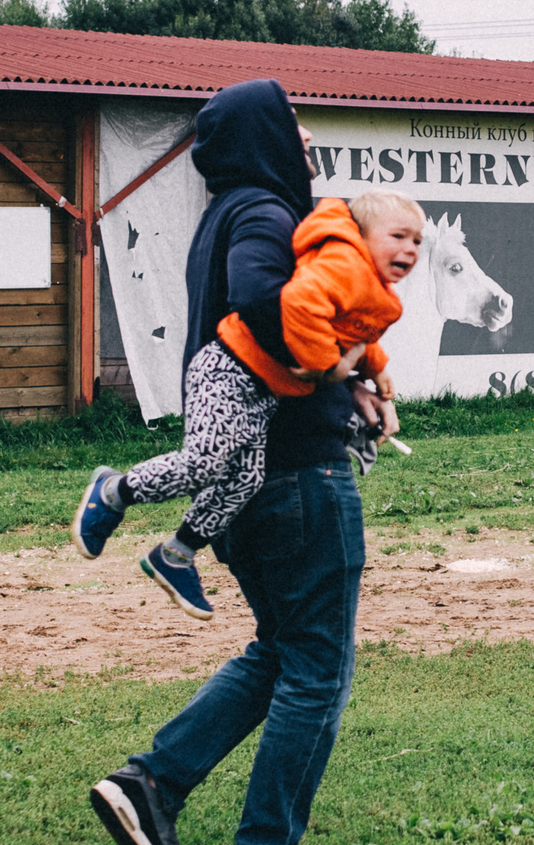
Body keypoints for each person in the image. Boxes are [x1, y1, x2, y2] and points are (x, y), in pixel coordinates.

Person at [85, 80, 401, 845]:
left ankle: (151, 784)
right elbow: (270, 306)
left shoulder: (222, 216)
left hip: (257, 484)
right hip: (298, 477)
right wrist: (344, 371)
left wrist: (352, 384)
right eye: (291, 126)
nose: (304, 142)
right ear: (262, 135)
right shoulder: (264, 214)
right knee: (319, 669)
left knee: (281, 651)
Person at [71, 184, 420, 617]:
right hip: (229, 368)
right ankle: (112, 491)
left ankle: (176, 554)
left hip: (262, 394)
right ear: (363, 234)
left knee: (244, 480)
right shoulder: (342, 262)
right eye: (399, 236)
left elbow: (357, 333)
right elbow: (300, 304)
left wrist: (374, 370)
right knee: (204, 462)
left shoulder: (373, 290)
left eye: (418, 241)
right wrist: (323, 366)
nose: (410, 248)